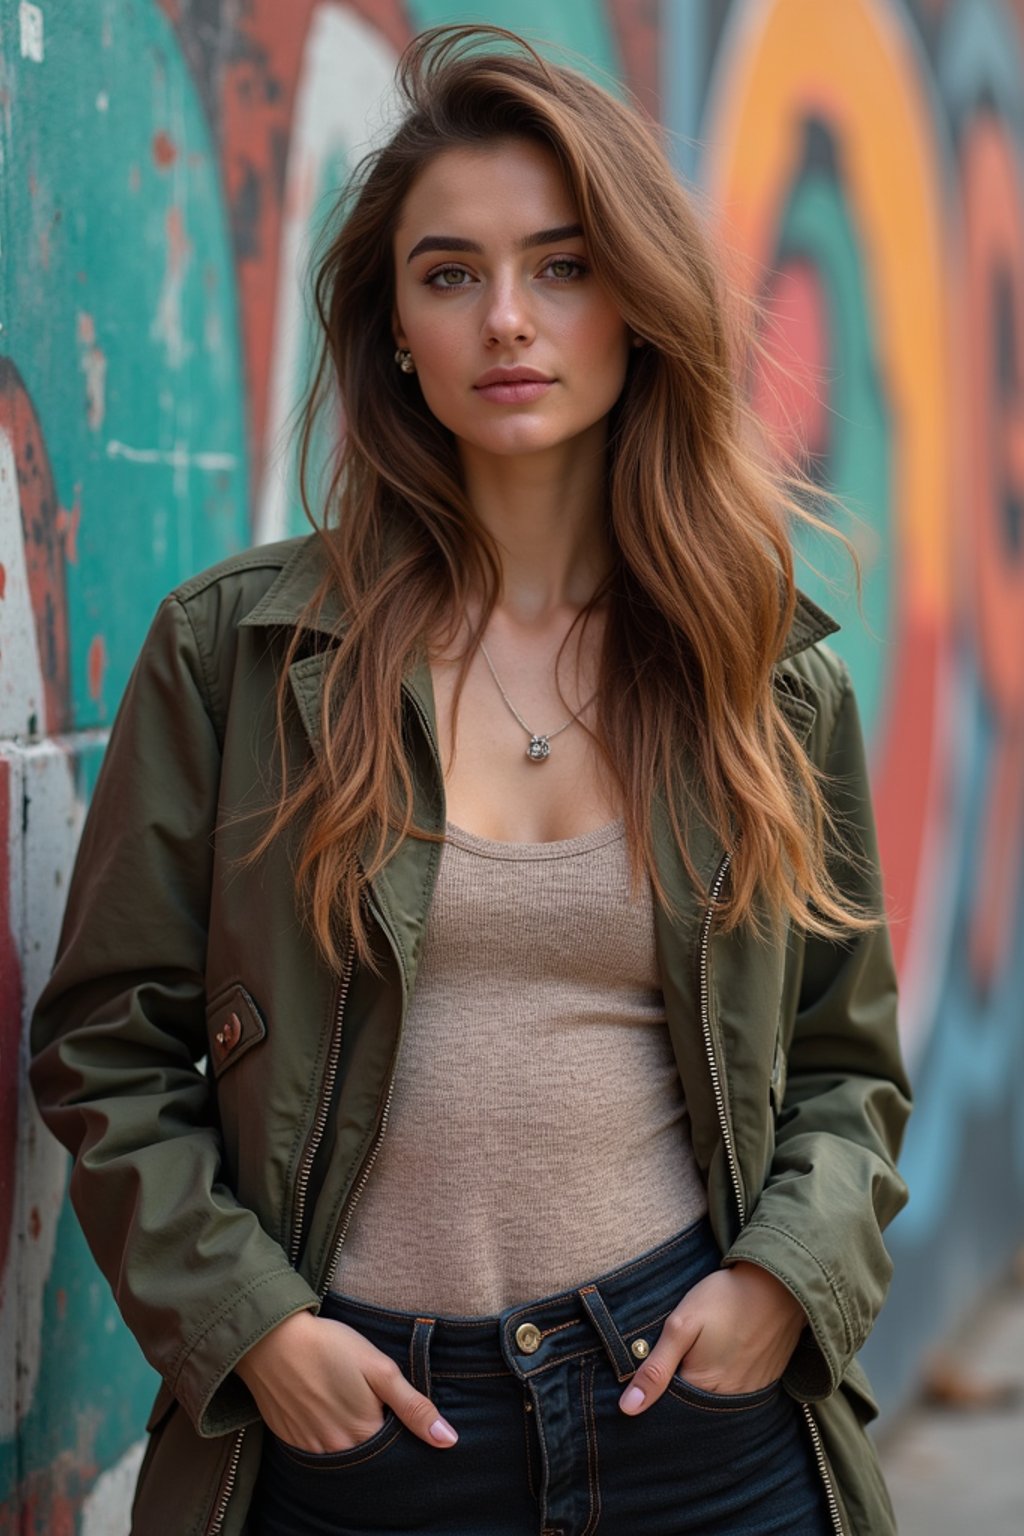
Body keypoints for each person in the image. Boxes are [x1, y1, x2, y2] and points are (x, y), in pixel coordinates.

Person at [30, 24, 910, 1536]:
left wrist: (779, 1283)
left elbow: (845, 1064)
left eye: (562, 267)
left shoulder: (761, 673)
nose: (509, 318)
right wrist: (255, 1326)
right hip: (359, 1441)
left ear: (636, 305)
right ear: (393, 329)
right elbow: (108, 1045)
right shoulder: (239, 657)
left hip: (698, 1431)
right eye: (451, 275)